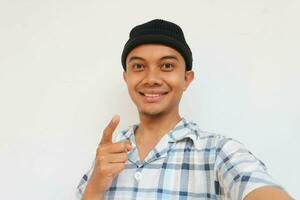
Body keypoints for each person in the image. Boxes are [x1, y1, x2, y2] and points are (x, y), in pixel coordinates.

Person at [76, 19, 292, 200]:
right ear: (126, 77)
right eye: (139, 66)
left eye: (167, 66)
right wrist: (94, 189)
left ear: (187, 78)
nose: (151, 79)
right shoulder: (106, 157)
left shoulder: (219, 152)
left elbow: (259, 187)